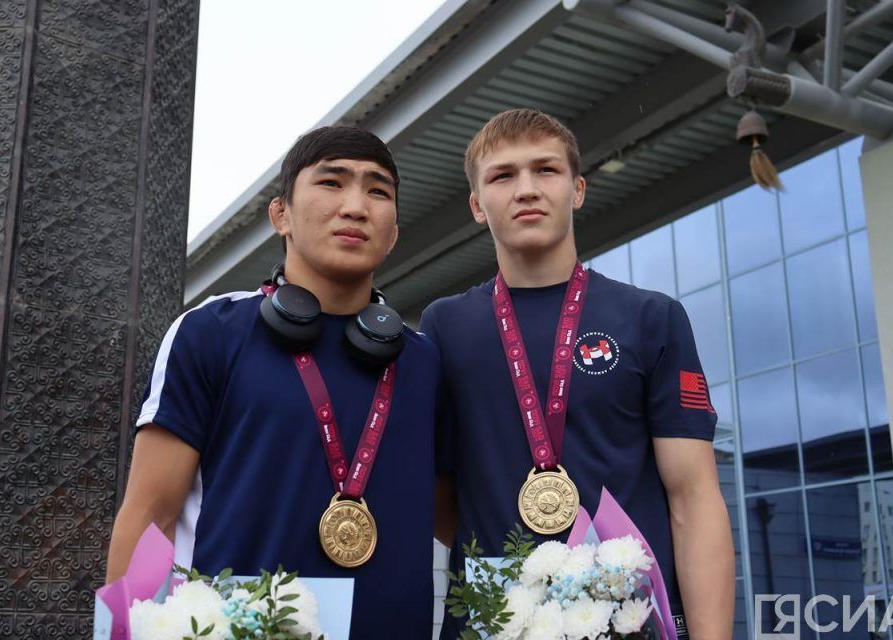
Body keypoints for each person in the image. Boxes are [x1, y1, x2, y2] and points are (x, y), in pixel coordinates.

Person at [107, 126, 439, 638]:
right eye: (331, 183)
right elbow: (151, 513)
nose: (356, 207)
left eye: (378, 191)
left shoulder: (424, 361)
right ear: (280, 214)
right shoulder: (211, 332)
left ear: (393, 232)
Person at [422, 109, 734, 639]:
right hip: (493, 622)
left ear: (578, 190)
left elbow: (694, 498)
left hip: (629, 620)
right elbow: (438, 494)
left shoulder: (650, 317)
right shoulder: (444, 327)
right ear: (477, 205)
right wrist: (517, 571)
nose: (526, 189)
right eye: (503, 175)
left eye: (546, 169)